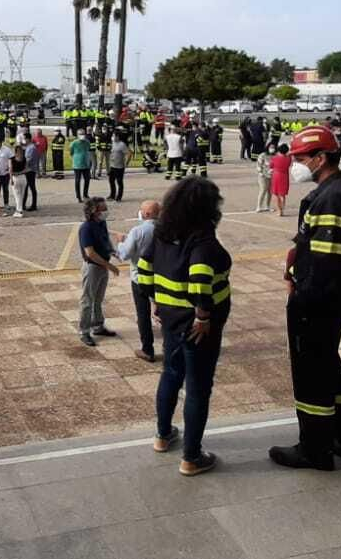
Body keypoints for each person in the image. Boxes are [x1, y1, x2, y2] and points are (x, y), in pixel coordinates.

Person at [273, 125, 341, 471]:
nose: (295, 163)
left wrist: (301, 296)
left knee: (311, 373)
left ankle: (315, 449)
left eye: (300, 158)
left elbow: (326, 261)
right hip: (338, 296)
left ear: (320, 158)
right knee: (329, 366)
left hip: (318, 300)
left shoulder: (331, 197)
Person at [143, 176, 230, 476]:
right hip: (197, 327)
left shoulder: (162, 232)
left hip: (170, 319)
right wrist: (203, 317)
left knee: (170, 373)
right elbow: (200, 280)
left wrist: (156, 302)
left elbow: (144, 270)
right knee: (197, 389)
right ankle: (192, 457)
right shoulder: (202, 239)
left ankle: (163, 435)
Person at [116, 199, 161, 362]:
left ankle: (147, 349)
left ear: (146, 214)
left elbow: (124, 254)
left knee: (143, 313)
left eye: (141, 210)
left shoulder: (138, 231)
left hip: (140, 277)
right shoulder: (168, 229)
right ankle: (171, 345)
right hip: (162, 277)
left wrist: (121, 242)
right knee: (162, 310)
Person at [76, 197, 118, 347]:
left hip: (102, 266)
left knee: (98, 299)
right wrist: (110, 266)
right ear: (94, 211)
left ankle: (98, 326)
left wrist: (113, 252)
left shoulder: (101, 223)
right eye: (103, 209)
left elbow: (105, 240)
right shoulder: (86, 228)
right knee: (87, 300)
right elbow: (90, 253)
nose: (105, 211)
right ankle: (84, 331)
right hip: (93, 267)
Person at [269, 144, 293, 217]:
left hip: (276, 176)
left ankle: (279, 210)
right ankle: (282, 209)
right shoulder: (289, 158)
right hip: (285, 176)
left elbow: (271, 165)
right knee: (282, 195)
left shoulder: (274, 158)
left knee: (276, 195)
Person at [70, 132, 92, 202]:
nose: (82, 135)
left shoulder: (87, 142)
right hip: (77, 165)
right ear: (77, 135)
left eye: (83, 134)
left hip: (86, 164)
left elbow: (88, 150)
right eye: (80, 134)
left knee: (87, 180)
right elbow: (71, 152)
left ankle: (85, 194)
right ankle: (78, 196)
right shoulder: (74, 143)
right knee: (77, 180)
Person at [0, 139, 15, 211]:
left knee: (5, 189)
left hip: (5, 174)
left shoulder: (7, 150)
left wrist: (9, 169)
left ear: (1, 142)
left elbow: (11, 159)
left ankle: (6, 204)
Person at [20, 135, 40, 213]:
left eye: (24, 139)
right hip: (29, 170)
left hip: (30, 170)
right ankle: (24, 204)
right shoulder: (29, 147)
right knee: (27, 187)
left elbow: (28, 159)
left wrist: (22, 167)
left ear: (28, 139)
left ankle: (33, 205)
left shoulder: (31, 148)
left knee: (30, 187)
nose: (24, 140)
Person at [108, 132, 129, 202]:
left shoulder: (122, 145)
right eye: (112, 136)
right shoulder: (112, 143)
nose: (113, 137)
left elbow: (128, 154)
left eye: (114, 136)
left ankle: (119, 197)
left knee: (119, 182)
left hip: (119, 167)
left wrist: (126, 163)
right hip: (112, 165)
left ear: (118, 137)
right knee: (111, 181)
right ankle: (112, 195)